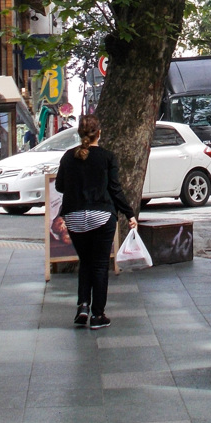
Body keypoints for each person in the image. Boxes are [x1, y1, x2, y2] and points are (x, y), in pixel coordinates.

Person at [55, 114, 137, 329]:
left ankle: (82, 306)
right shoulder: (107, 157)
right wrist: (129, 214)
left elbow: (60, 187)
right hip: (101, 216)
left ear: (79, 133)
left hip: (73, 217)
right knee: (100, 265)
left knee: (85, 262)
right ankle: (98, 315)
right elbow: (115, 189)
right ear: (99, 133)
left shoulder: (67, 157)